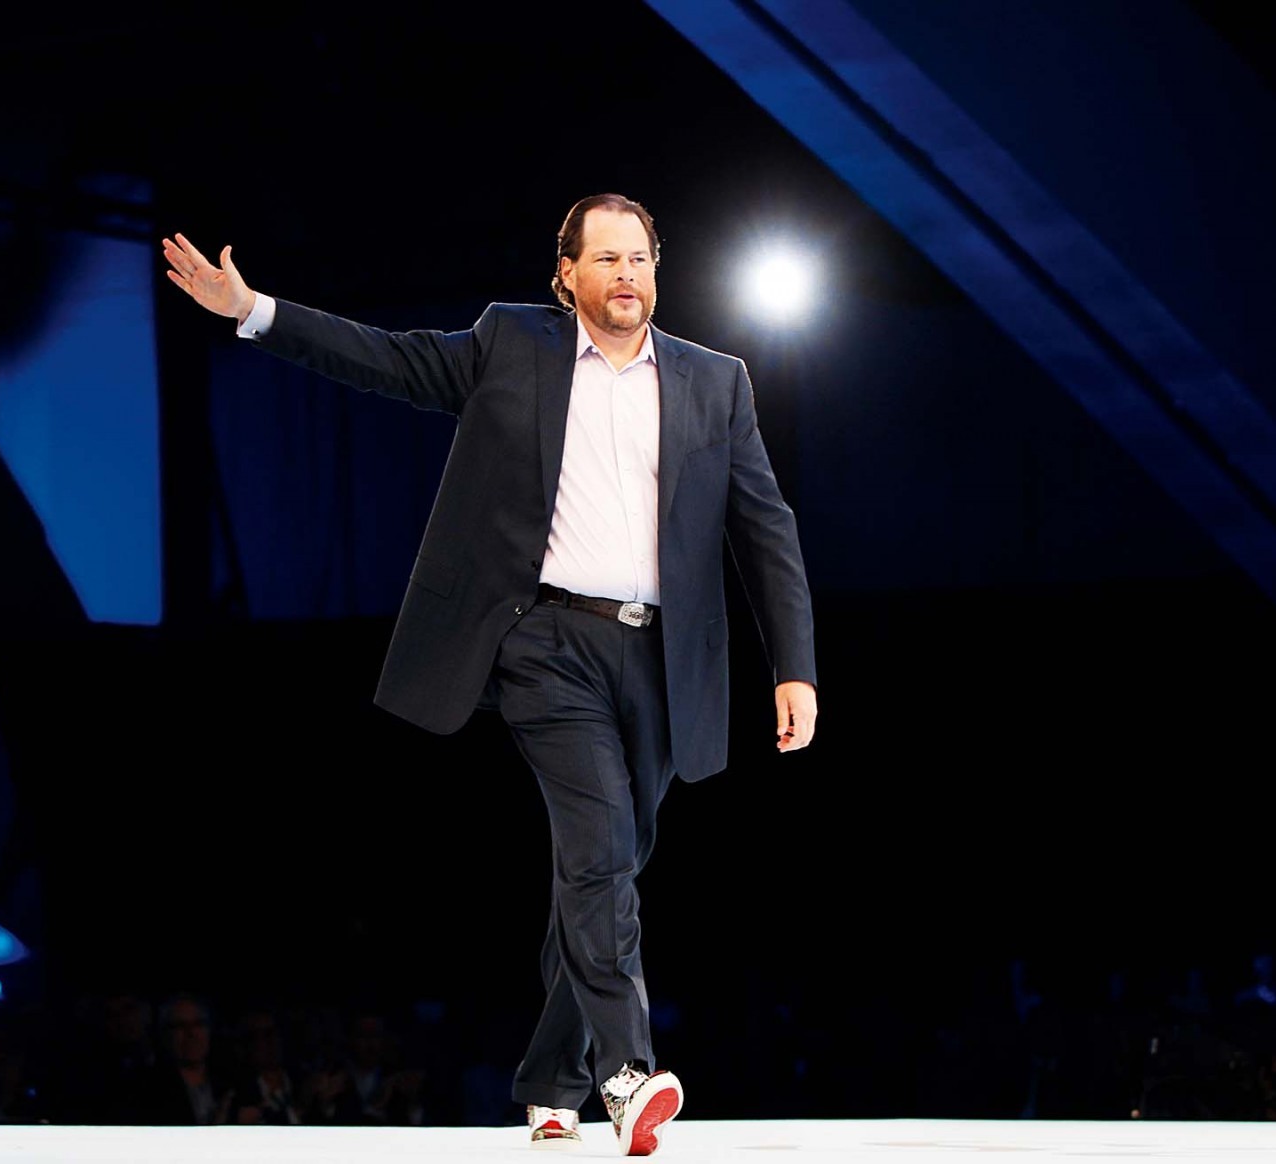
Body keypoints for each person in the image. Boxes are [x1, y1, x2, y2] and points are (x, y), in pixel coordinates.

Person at [162, 192, 818, 1156]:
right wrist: (255, 310)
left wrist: (793, 666)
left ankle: (549, 1081)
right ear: (567, 274)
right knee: (600, 850)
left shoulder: (716, 381)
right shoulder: (512, 343)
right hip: (545, 645)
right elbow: (385, 359)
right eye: (606, 259)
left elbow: (765, 526)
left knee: (607, 867)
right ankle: (627, 1073)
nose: (626, 274)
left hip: (666, 657)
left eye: (640, 258)